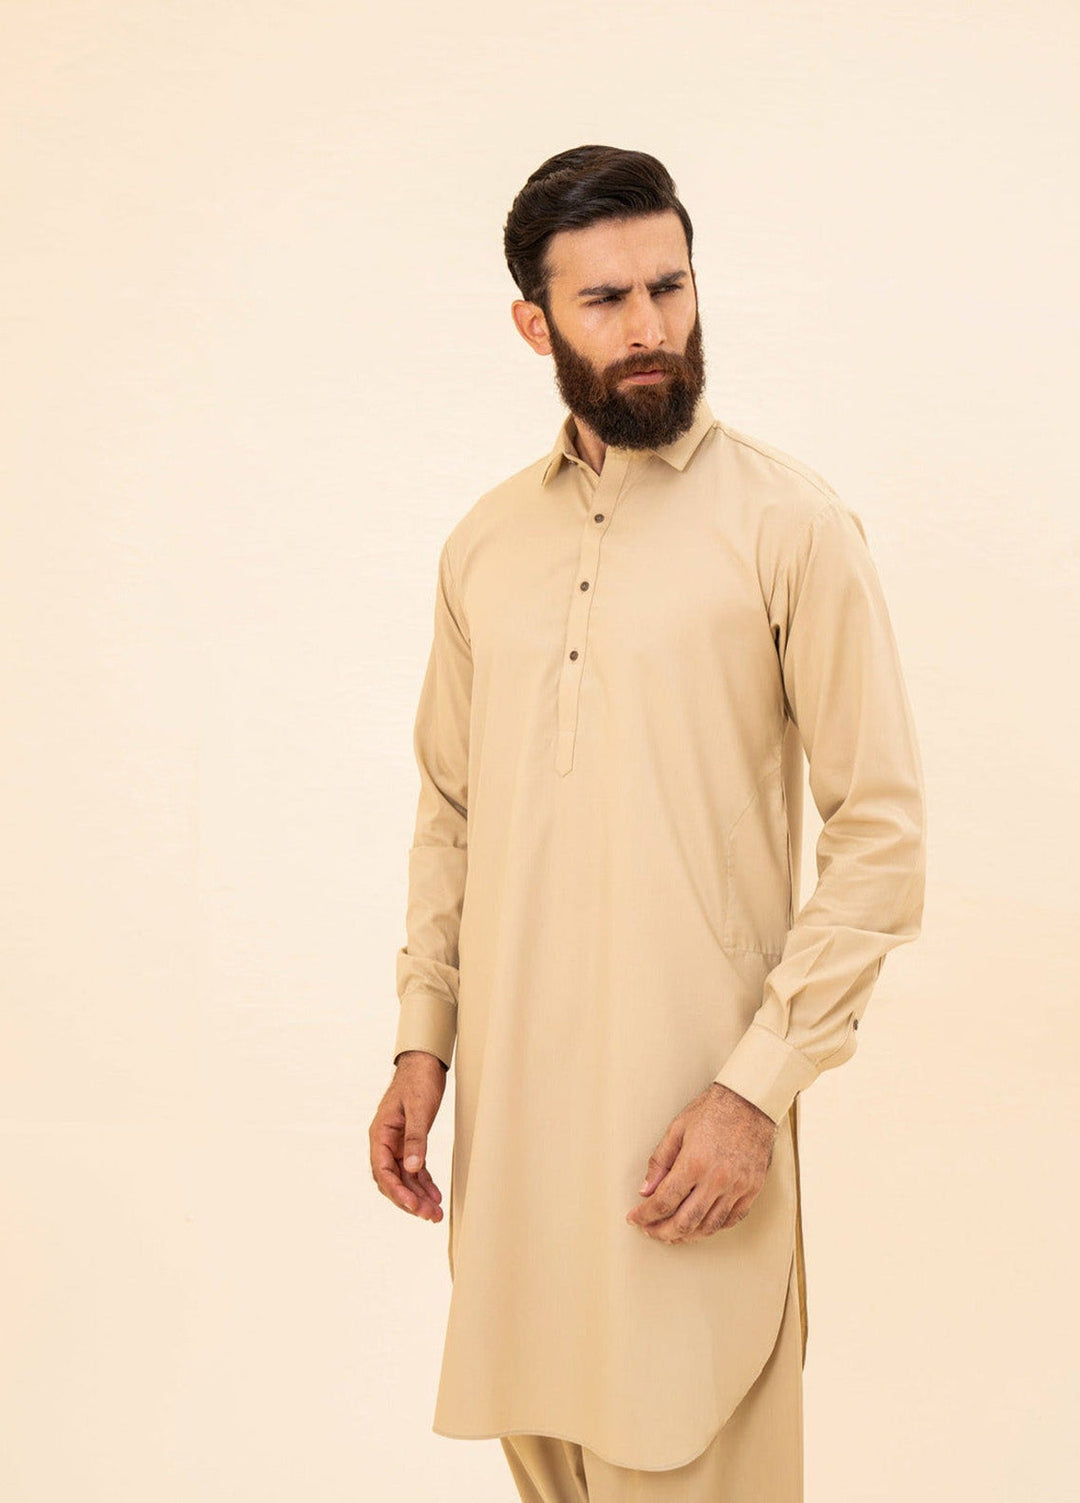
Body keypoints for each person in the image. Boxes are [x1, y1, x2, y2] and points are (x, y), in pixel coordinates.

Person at [369, 144, 927, 1502]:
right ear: (535, 325)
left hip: (690, 1146)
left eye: (669, 287)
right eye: (606, 299)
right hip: (517, 1157)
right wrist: (422, 1039)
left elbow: (881, 834)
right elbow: (450, 811)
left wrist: (756, 1091)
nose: (649, 328)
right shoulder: (486, 546)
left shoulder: (791, 525)